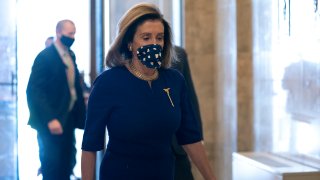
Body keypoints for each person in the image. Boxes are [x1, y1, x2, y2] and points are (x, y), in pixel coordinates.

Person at [81, 3, 216, 180]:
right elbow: (90, 145)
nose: (154, 44)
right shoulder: (108, 82)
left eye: (159, 38)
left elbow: (190, 137)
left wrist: (211, 178)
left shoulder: (174, 80)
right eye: (146, 38)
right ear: (129, 43)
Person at [26, 19, 86, 180]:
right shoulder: (45, 57)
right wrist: (50, 119)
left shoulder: (70, 55)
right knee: (52, 165)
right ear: (59, 33)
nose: (73, 37)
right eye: (70, 33)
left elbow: (74, 87)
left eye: (74, 33)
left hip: (68, 119)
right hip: (51, 121)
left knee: (67, 161)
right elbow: (34, 91)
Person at [171, 45, 203, 180]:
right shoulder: (121, 63)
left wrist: (197, 138)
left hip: (177, 151)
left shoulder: (178, 55)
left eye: (160, 37)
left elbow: (190, 101)